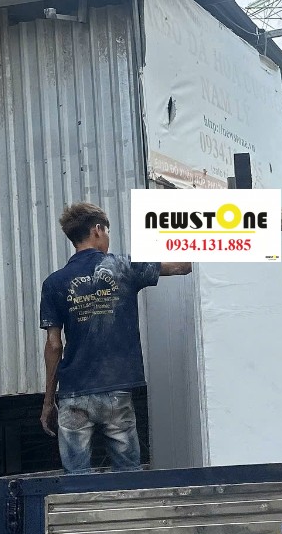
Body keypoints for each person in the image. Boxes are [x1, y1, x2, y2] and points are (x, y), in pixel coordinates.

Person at [39, 201, 191, 473]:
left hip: (74, 393)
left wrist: (48, 401)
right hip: (116, 389)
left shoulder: (54, 283)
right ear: (97, 230)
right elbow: (182, 266)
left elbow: (53, 345)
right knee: (128, 475)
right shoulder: (124, 267)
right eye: (107, 231)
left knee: (76, 479)